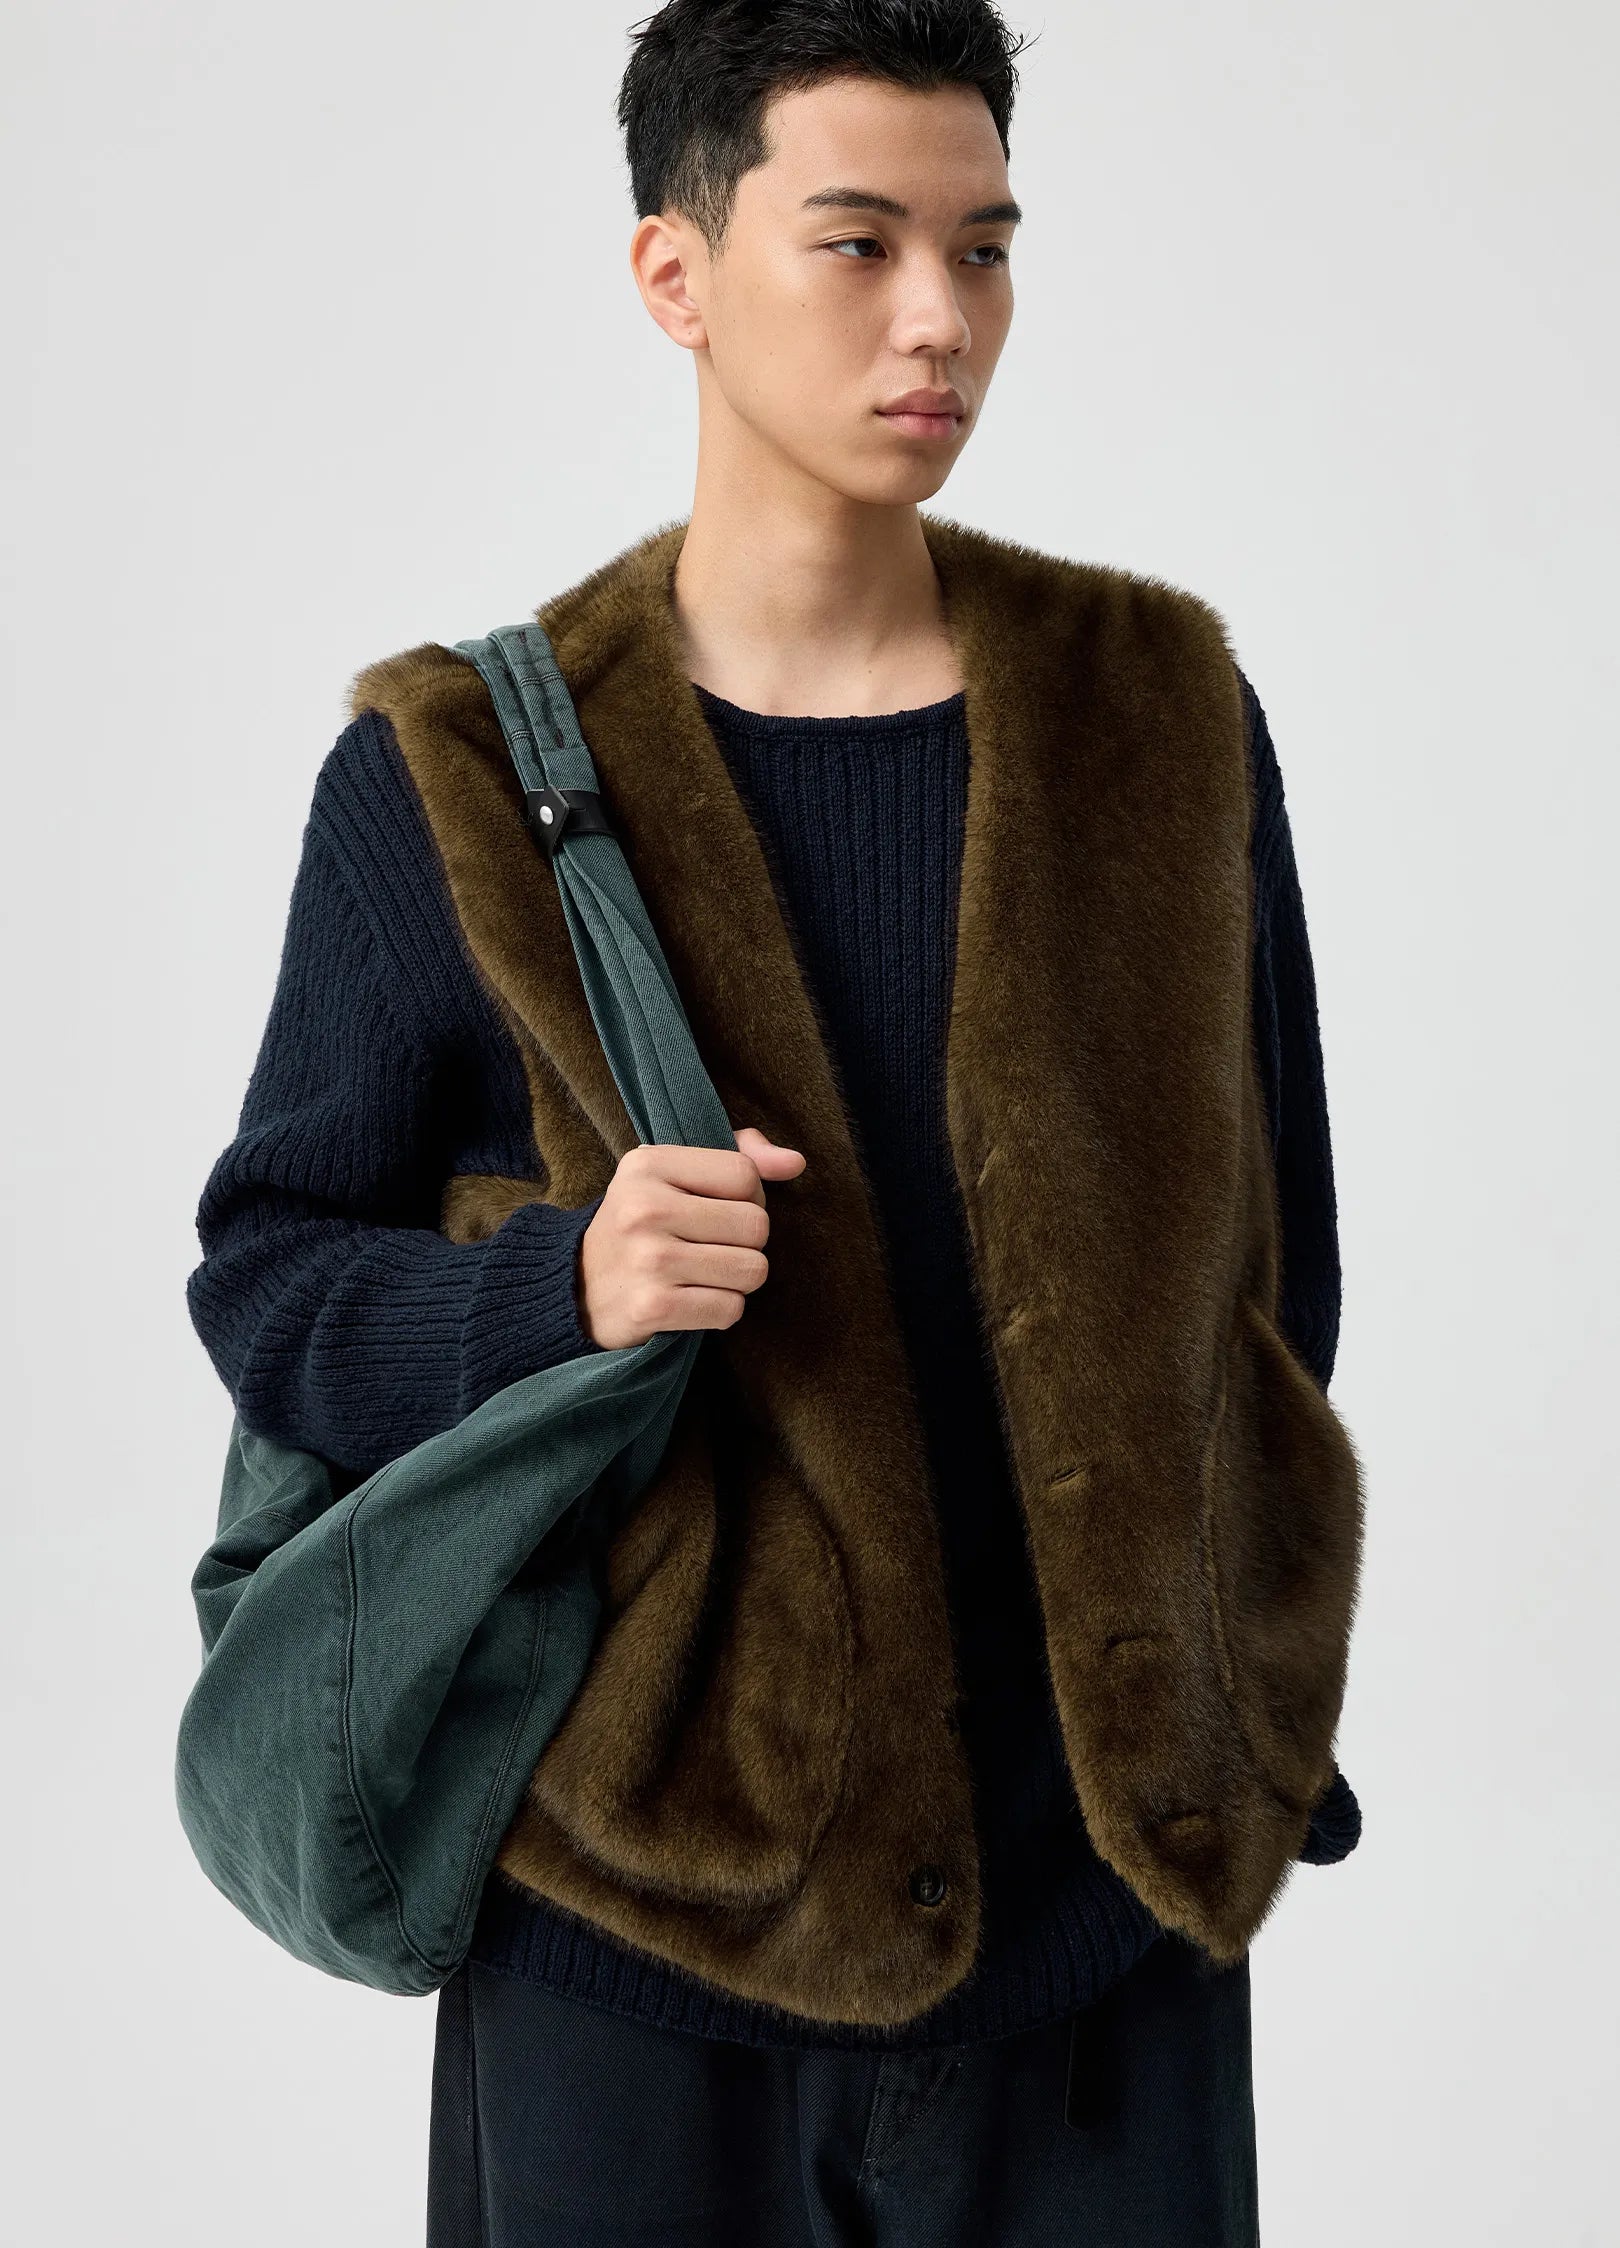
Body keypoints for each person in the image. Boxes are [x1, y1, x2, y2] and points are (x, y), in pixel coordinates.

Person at [186, 2, 1365, 2239]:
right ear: (678, 272)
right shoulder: (453, 779)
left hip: (1104, 1933)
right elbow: (270, 1285)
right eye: (858, 243)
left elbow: (1276, 1277)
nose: (941, 319)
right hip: (632, 1952)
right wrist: (561, 1286)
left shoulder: (1164, 717)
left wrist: (1233, 1697)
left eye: (985, 247)